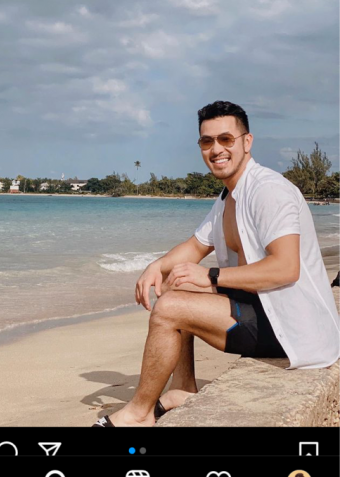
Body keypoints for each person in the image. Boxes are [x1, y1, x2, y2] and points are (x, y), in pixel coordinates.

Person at [93, 100, 340, 428]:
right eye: (207, 141)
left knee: (169, 308)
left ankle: (138, 414)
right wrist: (156, 266)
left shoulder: (268, 191)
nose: (216, 149)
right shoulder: (228, 197)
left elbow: (285, 268)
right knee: (175, 283)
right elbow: (195, 246)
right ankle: (183, 387)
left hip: (293, 327)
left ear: (247, 142)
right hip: (262, 310)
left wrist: (211, 276)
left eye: (226, 139)